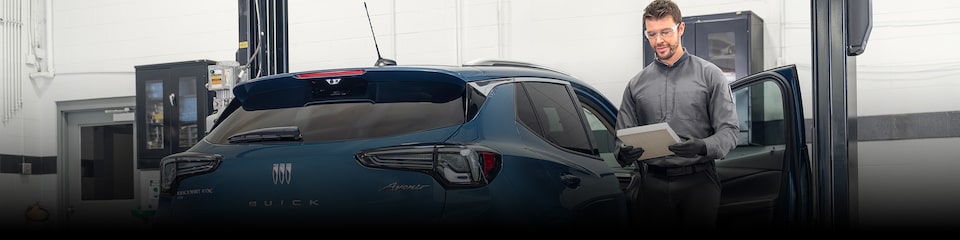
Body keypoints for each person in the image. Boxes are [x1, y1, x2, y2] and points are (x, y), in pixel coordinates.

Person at [614, 0, 740, 230]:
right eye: (651, 34)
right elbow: (621, 138)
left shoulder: (710, 75)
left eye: (665, 32)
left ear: (680, 29)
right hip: (652, 184)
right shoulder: (636, 84)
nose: (658, 40)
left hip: (699, 183)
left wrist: (702, 145)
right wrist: (624, 152)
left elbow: (730, 132)